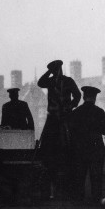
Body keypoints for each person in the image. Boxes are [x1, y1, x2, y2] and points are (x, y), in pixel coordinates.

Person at [37, 59, 81, 196]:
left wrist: (71, 106)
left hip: (64, 115)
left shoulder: (68, 81)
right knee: (47, 142)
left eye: (56, 69)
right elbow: (40, 82)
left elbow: (77, 95)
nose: (56, 72)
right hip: (53, 116)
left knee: (69, 139)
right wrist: (49, 71)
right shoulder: (50, 81)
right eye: (54, 70)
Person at [68, 86, 105, 201]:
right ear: (95, 98)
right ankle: (96, 203)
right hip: (96, 150)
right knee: (96, 179)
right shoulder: (99, 112)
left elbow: (70, 130)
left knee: (79, 178)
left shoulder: (76, 112)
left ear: (83, 97)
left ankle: (79, 203)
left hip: (79, 150)